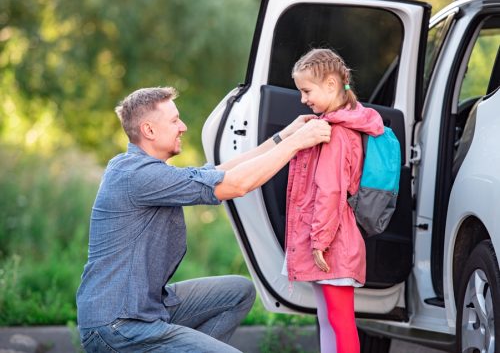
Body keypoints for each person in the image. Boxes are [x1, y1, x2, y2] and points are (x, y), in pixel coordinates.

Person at [76, 85, 331, 353]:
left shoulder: (144, 170)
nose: (183, 126)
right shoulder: (136, 175)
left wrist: (283, 136)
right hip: (118, 325)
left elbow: (218, 172)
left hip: (147, 310)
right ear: (149, 130)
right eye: (174, 120)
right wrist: (299, 142)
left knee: (237, 292)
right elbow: (236, 184)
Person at [283, 48, 385, 353]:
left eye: (306, 90)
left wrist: (319, 241)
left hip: (334, 242)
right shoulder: (336, 126)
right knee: (329, 319)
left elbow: (330, 191)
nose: (303, 99)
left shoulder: (336, 133)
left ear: (330, 84)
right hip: (333, 239)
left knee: (339, 321)